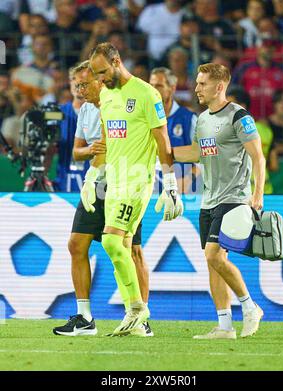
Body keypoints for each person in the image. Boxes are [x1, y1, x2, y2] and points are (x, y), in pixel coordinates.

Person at [81, 42, 183, 336]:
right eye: (96, 75)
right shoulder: (107, 95)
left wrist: (171, 184)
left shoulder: (145, 93)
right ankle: (135, 319)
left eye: (103, 72)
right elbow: (105, 139)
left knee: (112, 242)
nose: (100, 79)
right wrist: (92, 177)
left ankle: (138, 309)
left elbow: (163, 140)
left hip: (137, 181)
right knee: (120, 248)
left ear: (117, 60)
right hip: (113, 182)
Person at [53, 61, 153, 337]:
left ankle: (140, 317)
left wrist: (97, 156)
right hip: (95, 185)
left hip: (126, 182)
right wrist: (90, 151)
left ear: (100, 81)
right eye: (76, 85)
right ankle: (85, 318)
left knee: (131, 250)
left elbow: (118, 145)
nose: (80, 90)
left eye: (84, 84)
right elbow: (76, 152)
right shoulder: (85, 110)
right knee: (76, 244)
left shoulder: (119, 103)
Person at [173, 63, 265, 339]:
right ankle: (225, 325)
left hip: (234, 198)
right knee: (212, 260)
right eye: (197, 83)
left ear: (219, 86)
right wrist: (161, 151)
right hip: (208, 200)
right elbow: (197, 154)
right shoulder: (202, 120)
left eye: (202, 84)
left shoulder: (239, 116)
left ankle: (250, 308)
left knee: (214, 255)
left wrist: (257, 193)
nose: (197, 88)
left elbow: (258, 156)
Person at [149, 66, 198, 194]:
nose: (153, 90)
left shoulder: (188, 118)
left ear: (172, 88)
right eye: (151, 86)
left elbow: (205, 155)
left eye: (159, 86)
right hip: (149, 192)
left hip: (181, 192)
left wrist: (188, 180)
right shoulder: (143, 120)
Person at [226, 85, 278, 194]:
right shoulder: (265, 130)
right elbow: (274, 165)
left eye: (229, 105)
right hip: (265, 190)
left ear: (241, 106)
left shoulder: (228, 132)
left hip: (239, 194)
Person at [54, 66, 86, 192]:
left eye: (82, 79)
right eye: (73, 78)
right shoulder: (57, 113)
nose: (77, 83)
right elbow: (49, 151)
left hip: (95, 186)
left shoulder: (103, 113)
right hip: (64, 184)